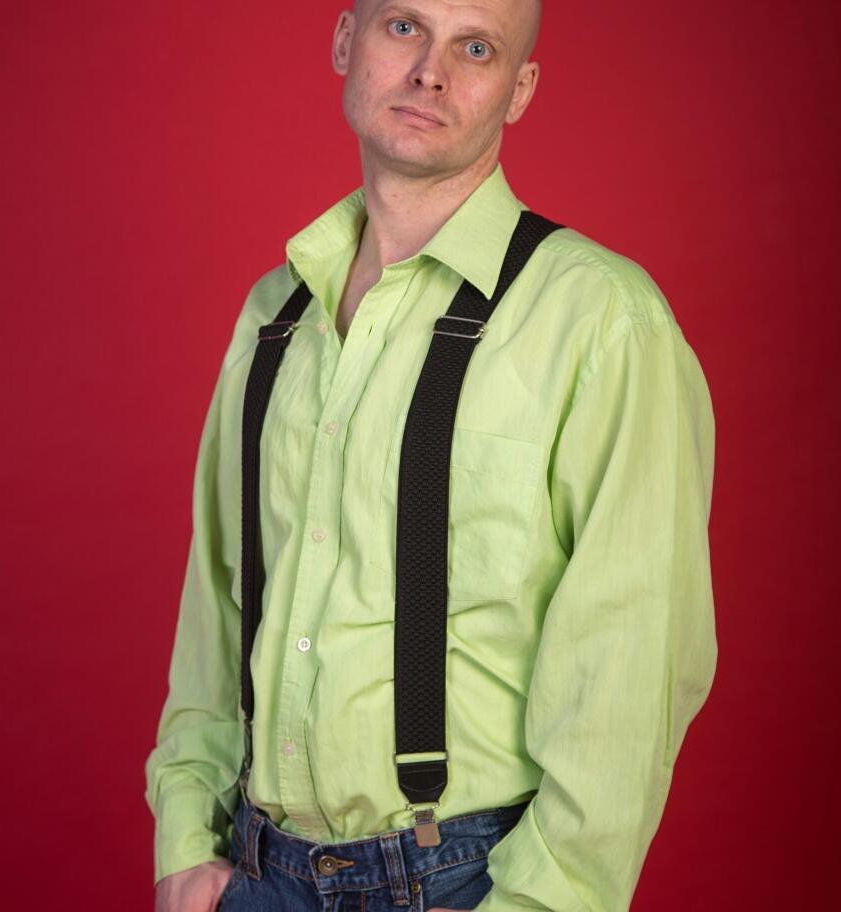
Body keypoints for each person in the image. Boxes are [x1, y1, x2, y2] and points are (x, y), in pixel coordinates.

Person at [144, 1, 718, 910]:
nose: (431, 72)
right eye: (405, 26)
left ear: (519, 90)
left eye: (476, 47)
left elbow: (631, 671)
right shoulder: (275, 314)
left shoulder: (602, 323)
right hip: (255, 874)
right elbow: (218, 604)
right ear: (347, 40)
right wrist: (185, 834)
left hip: (468, 881)